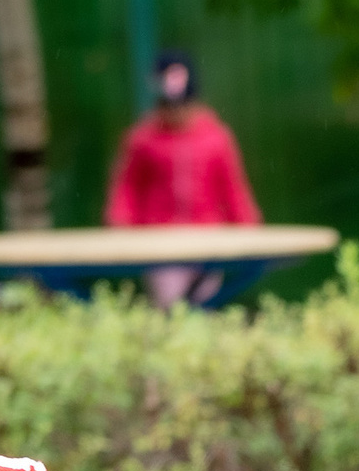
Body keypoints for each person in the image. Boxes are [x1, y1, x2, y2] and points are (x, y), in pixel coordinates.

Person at [105, 50, 259, 305]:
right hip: (158, 243)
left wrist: (248, 228)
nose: (175, 113)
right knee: (170, 306)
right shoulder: (142, 139)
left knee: (206, 306)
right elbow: (127, 188)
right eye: (166, 106)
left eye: (181, 105)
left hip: (208, 243)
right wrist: (120, 223)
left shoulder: (216, 138)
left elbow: (233, 189)